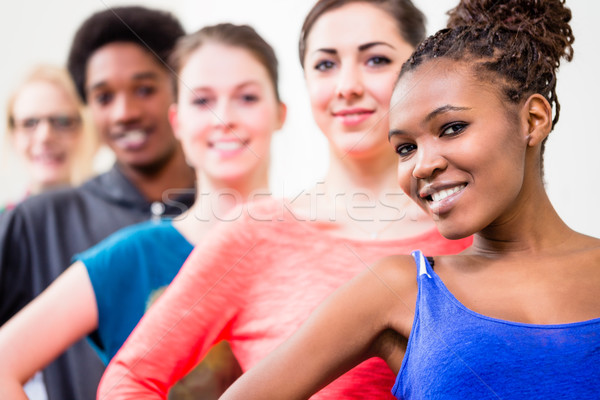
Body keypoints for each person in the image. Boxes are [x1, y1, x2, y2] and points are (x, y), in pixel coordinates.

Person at [216, 0, 600, 399]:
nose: (421, 165)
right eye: (405, 148)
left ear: (533, 120)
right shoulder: (399, 289)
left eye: (451, 127)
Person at [98, 1, 472, 399]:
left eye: (376, 59)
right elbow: (129, 377)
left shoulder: (471, 230)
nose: (347, 86)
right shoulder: (253, 235)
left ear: (418, 72)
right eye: (325, 65)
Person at [0, 22, 286, 400]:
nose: (224, 117)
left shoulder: (319, 242)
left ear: (280, 113)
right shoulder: (131, 254)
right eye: (202, 100)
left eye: (247, 97)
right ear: (177, 120)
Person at [0, 6, 195, 400]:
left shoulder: (224, 221)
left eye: (144, 89)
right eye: (104, 97)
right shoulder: (40, 220)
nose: (124, 113)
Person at [1, 64, 97, 211]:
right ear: (13, 135)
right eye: (29, 123)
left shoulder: (121, 221)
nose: (45, 136)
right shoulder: (6, 225)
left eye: (63, 121)